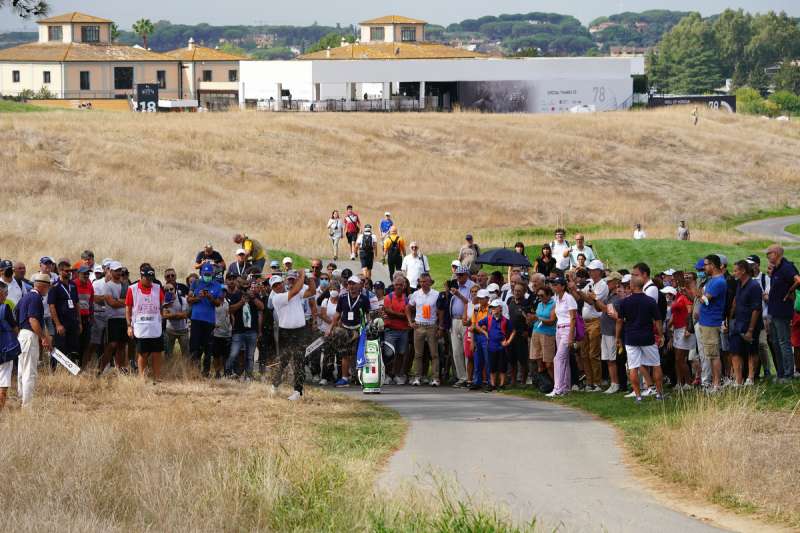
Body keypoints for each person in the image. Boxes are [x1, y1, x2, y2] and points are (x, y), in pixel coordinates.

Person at [270, 269, 316, 400]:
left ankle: (298, 391)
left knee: (299, 361)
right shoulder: (276, 298)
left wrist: (310, 278)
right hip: (285, 332)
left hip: (300, 331)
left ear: (282, 282)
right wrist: (301, 275)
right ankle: (275, 385)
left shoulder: (294, 291)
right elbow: (295, 290)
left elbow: (312, 292)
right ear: (272, 289)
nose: (278, 286)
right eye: (274, 286)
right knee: (283, 361)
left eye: (279, 283)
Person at [616, 277, 665, 402]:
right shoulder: (650, 301)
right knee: (656, 364)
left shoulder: (625, 302)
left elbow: (619, 321)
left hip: (631, 337)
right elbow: (658, 320)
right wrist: (661, 335)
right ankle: (659, 394)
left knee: (633, 367)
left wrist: (617, 337)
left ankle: (638, 396)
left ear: (632, 286)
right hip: (647, 336)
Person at [16, 273, 52, 407]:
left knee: (21, 370)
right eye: (48, 287)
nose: (48, 290)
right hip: (30, 336)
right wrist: (43, 337)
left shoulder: (25, 297)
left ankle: (20, 398)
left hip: (22, 335)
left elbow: (16, 313)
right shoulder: (36, 298)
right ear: (43, 286)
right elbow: (33, 319)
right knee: (29, 372)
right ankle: (27, 406)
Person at [327, 275, 370, 387]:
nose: (351, 286)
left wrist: (368, 327)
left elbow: (367, 315)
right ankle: (345, 378)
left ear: (359, 285)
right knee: (345, 355)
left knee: (358, 354)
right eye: (350, 283)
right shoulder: (342, 297)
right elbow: (337, 314)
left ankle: (359, 377)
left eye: (354, 284)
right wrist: (330, 327)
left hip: (358, 329)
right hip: (345, 329)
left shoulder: (364, 299)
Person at [126, 264, 165, 382]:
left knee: (157, 352)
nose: (149, 281)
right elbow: (128, 308)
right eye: (147, 278)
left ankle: (157, 377)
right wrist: (129, 326)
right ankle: (142, 378)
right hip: (140, 327)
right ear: (141, 276)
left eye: (151, 279)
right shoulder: (132, 289)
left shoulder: (157, 288)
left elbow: (162, 305)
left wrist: (161, 317)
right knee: (142, 353)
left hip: (155, 327)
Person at [766, 245, 800, 381]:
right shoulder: (777, 269)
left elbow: (798, 280)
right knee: (775, 342)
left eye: (769, 253)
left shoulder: (786, 267)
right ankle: (780, 373)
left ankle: (788, 374)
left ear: (776, 253)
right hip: (773, 311)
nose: (767, 256)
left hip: (782, 311)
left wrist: (789, 292)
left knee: (783, 342)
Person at [572, 260, 607, 392]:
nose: (590, 272)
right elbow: (578, 298)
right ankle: (589, 382)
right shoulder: (590, 283)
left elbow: (591, 301)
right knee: (584, 353)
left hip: (595, 322)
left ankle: (597, 383)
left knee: (593, 353)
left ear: (599, 271)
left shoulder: (602, 285)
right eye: (590, 270)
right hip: (585, 322)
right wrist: (572, 287)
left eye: (593, 270)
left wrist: (578, 290)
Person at [728, 260, 762, 386]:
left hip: (750, 324)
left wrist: (751, 330)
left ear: (743, 271)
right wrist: (730, 317)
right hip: (738, 323)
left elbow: (756, 309)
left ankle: (751, 377)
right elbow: (736, 301)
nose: (734, 273)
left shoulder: (754, 286)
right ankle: (738, 380)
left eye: (736, 270)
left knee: (751, 351)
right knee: (735, 351)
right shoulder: (739, 284)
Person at [187, 263, 224, 376]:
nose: (207, 276)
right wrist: (199, 297)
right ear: (201, 273)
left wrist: (210, 297)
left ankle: (206, 372)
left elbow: (219, 303)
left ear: (212, 274)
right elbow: (189, 299)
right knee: (195, 346)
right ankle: (194, 371)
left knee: (208, 347)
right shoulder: (196, 283)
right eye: (205, 274)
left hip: (209, 321)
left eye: (209, 274)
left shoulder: (217, 285)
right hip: (196, 319)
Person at [697, 255, 726, 391]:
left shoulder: (719, 282)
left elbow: (705, 300)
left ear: (713, 265)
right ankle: (714, 383)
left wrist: (695, 291)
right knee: (709, 355)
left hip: (711, 322)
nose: (704, 267)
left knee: (714, 355)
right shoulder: (711, 280)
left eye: (706, 264)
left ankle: (716, 384)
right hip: (705, 321)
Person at [406, 273, 441, 387]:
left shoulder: (436, 294)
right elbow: (408, 307)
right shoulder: (416, 294)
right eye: (421, 282)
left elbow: (441, 311)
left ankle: (435, 378)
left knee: (434, 353)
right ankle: (417, 377)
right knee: (418, 354)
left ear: (430, 282)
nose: (423, 284)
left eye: (425, 281)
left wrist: (440, 326)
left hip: (431, 326)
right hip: (419, 326)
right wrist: (410, 321)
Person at [227, 275, 264, 380]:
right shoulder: (236, 295)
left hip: (252, 331)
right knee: (234, 354)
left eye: (247, 284)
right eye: (243, 284)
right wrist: (241, 302)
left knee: (250, 356)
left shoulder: (254, 295)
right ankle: (228, 373)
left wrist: (253, 298)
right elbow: (230, 310)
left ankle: (248, 376)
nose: (245, 287)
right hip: (238, 330)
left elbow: (262, 307)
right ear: (239, 285)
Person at [48, 259, 81, 368]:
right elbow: (51, 306)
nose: (69, 273)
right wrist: (57, 324)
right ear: (60, 271)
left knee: (73, 346)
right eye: (66, 271)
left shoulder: (73, 285)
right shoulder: (55, 286)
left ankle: (71, 370)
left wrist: (79, 322)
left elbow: (76, 303)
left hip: (72, 321)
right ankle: (53, 370)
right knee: (59, 347)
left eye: (70, 271)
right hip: (61, 322)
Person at [97, 262, 129, 375]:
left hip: (124, 318)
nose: (119, 272)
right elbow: (111, 303)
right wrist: (123, 302)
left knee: (122, 344)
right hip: (112, 319)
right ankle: (100, 369)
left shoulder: (125, 285)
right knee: (112, 344)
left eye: (120, 270)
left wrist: (119, 301)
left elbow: (129, 302)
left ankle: (121, 369)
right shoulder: (108, 285)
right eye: (116, 270)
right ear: (110, 271)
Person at [547, 278, 576, 397]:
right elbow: (554, 315)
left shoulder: (569, 298)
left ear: (563, 286)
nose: (553, 286)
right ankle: (566, 387)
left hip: (568, 329)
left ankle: (558, 388)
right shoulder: (556, 298)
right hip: (559, 329)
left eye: (556, 284)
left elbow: (573, 318)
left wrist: (570, 337)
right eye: (553, 284)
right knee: (564, 359)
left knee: (558, 359)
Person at [478, 299, 515, 391]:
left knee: (502, 366)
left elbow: (513, 331)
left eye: (495, 308)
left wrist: (508, 341)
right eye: (492, 308)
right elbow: (477, 325)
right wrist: (485, 333)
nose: (493, 309)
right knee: (492, 366)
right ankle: (493, 384)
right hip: (491, 346)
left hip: (502, 346)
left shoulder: (505, 320)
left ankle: (502, 384)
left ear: (500, 308)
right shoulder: (489, 318)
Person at [447, 265, 475, 387]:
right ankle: (461, 377)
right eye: (457, 275)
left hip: (466, 321)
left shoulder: (471, 286)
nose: (458, 277)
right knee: (457, 351)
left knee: (467, 350)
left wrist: (458, 295)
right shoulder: (457, 286)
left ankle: (469, 377)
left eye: (460, 275)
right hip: (454, 320)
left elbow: (471, 303)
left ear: (466, 275)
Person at [383, 273, 410, 385]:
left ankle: (397, 374)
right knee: (389, 354)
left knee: (401, 353)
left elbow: (407, 313)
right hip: (390, 330)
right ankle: (388, 374)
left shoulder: (407, 299)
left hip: (403, 330)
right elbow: (388, 311)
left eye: (401, 285)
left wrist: (395, 314)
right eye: (397, 284)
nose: (398, 286)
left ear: (404, 286)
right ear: (393, 285)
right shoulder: (388, 297)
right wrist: (402, 315)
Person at [668, 279, 695, 391]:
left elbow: (690, 312)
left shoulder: (685, 298)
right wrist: (669, 325)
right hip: (677, 329)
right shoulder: (678, 297)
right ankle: (680, 382)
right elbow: (674, 314)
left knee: (680, 358)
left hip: (684, 329)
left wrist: (688, 328)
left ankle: (688, 382)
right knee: (677, 359)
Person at [506, 280, 533, 386]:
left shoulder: (527, 303)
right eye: (515, 290)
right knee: (512, 359)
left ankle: (523, 381)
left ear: (524, 292)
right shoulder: (510, 301)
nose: (517, 293)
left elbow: (530, 320)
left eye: (519, 291)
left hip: (521, 335)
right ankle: (513, 381)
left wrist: (527, 331)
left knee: (523, 360)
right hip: (510, 334)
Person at [0, 282, 19, 411]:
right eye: (5, 294)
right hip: (4, 351)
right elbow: (15, 329)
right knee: (3, 381)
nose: (6, 297)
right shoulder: (4, 309)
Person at [531, 285, 557, 382]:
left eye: (542, 295)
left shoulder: (554, 304)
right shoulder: (539, 304)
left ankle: (557, 384)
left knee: (549, 363)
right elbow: (537, 318)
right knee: (538, 360)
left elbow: (551, 321)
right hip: (536, 331)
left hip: (548, 334)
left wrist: (538, 318)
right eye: (538, 296)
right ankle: (545, 384)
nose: (540, 298)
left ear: (549, 294)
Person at [468, 289, 491, 390]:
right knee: (477, 360)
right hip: (477, 337)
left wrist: (479, 328)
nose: (480, 300)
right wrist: (472, 341)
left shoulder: (491, 309)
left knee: (487, 360)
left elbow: (489, 325)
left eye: (482, 298)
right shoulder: (476, 309)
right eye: (479, 298)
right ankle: (477, 381)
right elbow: (473, 326)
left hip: (487, 337)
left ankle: (490, 382)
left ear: (487, 299)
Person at [163, 281, 189, 358]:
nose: (170, 291)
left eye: (171, 289)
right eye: (167, 290)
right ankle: (169, 369)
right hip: (170, 330)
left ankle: (185, 369)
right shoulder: (164, 301)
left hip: (183, 330)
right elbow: (164, 316)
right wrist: (178, 315)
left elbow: (184, 315)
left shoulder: (182, 300)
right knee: (168, 354)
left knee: (186, 354)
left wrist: (170, 315)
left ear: (175, 289)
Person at [74, 265, 94, 368]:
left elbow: (91, 302)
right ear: (78, 274)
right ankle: (75, 366)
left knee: (86, 344)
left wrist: (92, 316)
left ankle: (82, 367)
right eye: (84, 273)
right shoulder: (74, 284)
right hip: (76, 318)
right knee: (76, 343)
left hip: (86, 318)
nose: (86, 275)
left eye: (88, 273)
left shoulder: (90, 284)